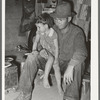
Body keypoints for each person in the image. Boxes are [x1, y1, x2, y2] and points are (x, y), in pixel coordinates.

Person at [14, 1, 87, 100]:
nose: (57, 22)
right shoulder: (52, 28)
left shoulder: (77, 32)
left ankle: (70, 97)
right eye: (56, 19)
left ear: (69, 19)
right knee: (32, 57)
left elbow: (81, 51)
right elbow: (37, 40)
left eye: (60, 19)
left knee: (78, 64)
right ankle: (24, 94)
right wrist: (38, 37)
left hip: (66, 65)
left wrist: (71, 66)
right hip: (50, 62)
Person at [32, 13, 63, 94]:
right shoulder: (39, 32)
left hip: (53, 52)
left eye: (39, 27)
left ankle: (59, 87)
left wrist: (56, 58)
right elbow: (36, 41)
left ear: (46, 26)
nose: (37, 29)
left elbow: (56, 48)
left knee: (56, 67)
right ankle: (45, 77)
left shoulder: (53, 34)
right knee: (37, 57)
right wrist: (33, 51)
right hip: (45, 50)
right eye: (37, 27)